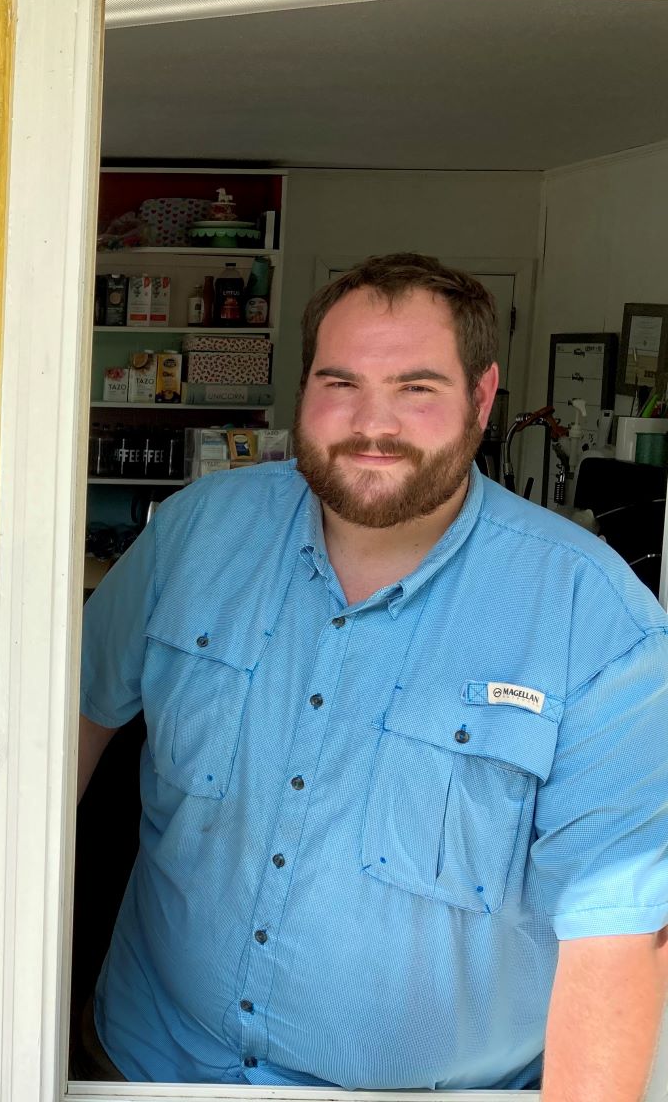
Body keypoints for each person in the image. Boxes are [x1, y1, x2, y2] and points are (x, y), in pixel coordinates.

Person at [77, 253, 668, 1095]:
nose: (371, 423)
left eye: (417, 388)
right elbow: (67, 724)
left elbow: (619, 933)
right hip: (152, 1061)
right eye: (340, 382)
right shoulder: (195, 533)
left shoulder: (596, 618)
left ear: (483, 395)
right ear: (304, 386)